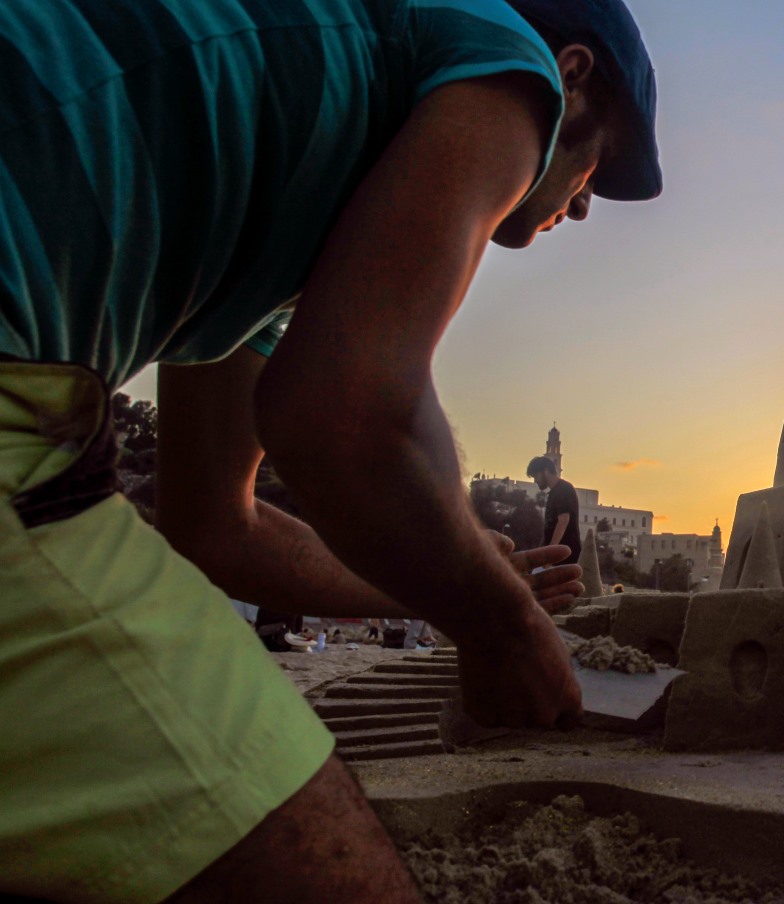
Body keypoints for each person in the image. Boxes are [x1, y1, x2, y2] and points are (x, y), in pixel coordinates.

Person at [0, 0, 661, 900]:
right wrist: (498, 623)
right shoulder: (512, 65)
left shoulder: (268, 230)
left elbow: (213, 526)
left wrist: (447, 575)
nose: (582, 205)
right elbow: (349, 415)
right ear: (574, 76)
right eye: (600, 165)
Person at [529, 455, 582, 566]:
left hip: (564, 556)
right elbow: (550, 526)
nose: (535, 481)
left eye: (536, 476)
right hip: (557, 555)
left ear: (546, 471)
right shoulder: (554, 493)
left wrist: (550, 554)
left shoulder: (564, 489)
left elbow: (563, 521)